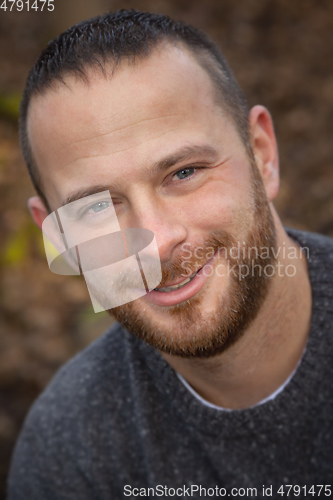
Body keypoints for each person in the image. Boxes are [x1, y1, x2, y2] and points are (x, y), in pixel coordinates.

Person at [8, 9, 333, 499]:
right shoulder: (69, 449)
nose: (156, 241)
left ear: (262, 155)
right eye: (96, 208)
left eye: (183, 173)